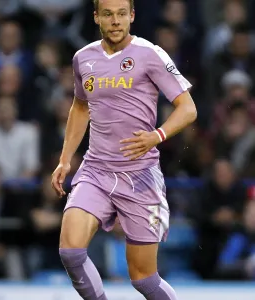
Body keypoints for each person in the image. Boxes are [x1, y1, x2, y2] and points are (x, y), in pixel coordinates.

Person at [51, 0, 197, 299]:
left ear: (131, 16)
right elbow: (80, 107)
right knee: (70, 251)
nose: (115, 21)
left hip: (140, 176)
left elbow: (188, 108)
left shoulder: (150, 54)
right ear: (96, 18)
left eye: (121, 14)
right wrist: (65, 159)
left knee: (143, 278)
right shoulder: (83, 58)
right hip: (96, 170)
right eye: (107, 14)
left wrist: (157, 135)